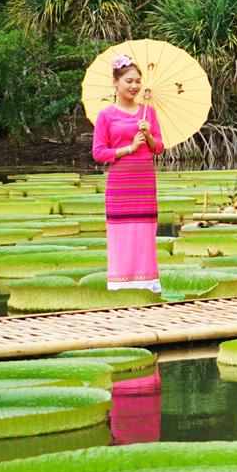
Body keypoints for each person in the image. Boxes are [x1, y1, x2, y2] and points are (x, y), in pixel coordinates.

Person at [92, 54, 163, 293]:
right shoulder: (106, 115)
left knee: (144, 230)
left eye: (137, 81)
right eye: (129, 81)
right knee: (121, 231)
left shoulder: (148, 113)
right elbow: (99, 152)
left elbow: (159, 147)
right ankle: (120, 285)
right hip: (120, 182)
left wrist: (150, 135)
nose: (134, 86)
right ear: (116, 82)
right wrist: (129, 148)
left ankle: (147, 284)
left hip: (144, 179)